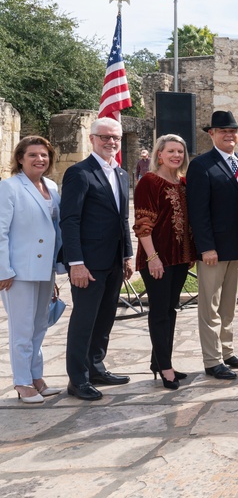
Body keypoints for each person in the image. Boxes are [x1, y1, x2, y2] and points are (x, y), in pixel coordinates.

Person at [61, 117, 134, 401]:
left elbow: (121, 219)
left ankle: (96, 367)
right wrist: (75, 262)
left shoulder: (122, 173)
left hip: (114, 261)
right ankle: (77, 379)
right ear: (92, 139)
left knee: (104, 319)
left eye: (115, 137)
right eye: (104, 137)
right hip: (88, 264)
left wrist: (128, 255)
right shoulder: (79, 173)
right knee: (84, 321)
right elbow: (69, 221)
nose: (111, 142)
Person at [186, 110, 238, 381]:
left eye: (233, 130)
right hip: (213, 249)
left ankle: (227, 352)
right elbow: (198, 211)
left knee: (228, 305)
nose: (230, 135)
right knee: (210, 307)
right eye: (223, 131)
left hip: (237, 246)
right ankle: (212, 359)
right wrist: (206, 247)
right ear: (211, 134)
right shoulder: (202, 165)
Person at [0, 137, 64, 403]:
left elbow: (55, 229)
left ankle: (36, 376)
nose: (40, 159)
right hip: (19, 270)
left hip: (45, 267)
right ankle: (22, 381)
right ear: (20, 158)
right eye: (33, 155)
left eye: (44, 155)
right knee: (22, 329)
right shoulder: (9, 187)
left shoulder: (51, 186)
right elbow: (0, 231)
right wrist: (4, 270)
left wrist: (56, 266)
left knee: (40, 326)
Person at [132, 134, 196, 390]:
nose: (176, 155)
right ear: (159, 154)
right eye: (171, 151)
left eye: (180, 151)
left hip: (179, 258)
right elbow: (142, 224)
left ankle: (160, 361)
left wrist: (189, 253)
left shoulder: (182, 182)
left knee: (170, 310)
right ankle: (165, 367)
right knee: (159, 312)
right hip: (157, 258)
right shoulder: (149, 181)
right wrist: (152, 257)